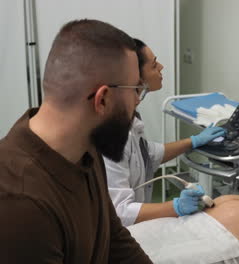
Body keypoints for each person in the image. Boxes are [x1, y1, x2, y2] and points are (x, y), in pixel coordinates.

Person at [0, 19, 153, 263]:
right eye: (135, 89)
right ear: (102, 100)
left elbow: (113, 236)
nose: (137, 100)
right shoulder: (20, 204)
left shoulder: (87, 148)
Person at [104, 38, 226, 227]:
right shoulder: (112, 134)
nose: (161, 67)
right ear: (135, 76)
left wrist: (193, 141)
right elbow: (118, 212)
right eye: (153, 65)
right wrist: (176, 206)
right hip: (121, 234)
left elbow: (148, 155)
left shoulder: (130, 117)